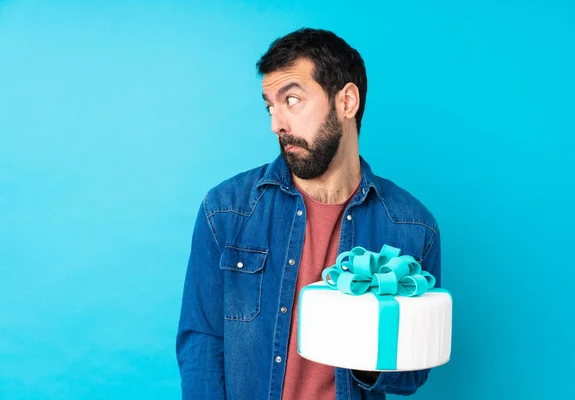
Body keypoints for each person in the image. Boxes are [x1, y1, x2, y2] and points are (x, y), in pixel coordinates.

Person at [176, 27, 442, 400]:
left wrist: (368, 346)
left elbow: (413, 375)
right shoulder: (226, 211)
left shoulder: (413, 227)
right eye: (270, 105)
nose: (277, 124)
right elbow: (201, 345)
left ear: (347, 101)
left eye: (293, 100)